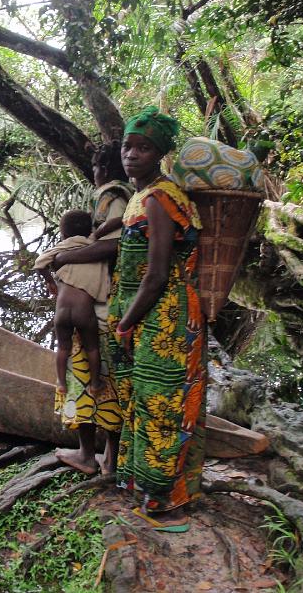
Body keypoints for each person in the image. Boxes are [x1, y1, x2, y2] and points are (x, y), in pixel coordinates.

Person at [108, 106, 206, 532]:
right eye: (128, 145)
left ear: (159, 153)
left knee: (162, 406)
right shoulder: (140, 195)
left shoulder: (161, 200)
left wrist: (126, 322)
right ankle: (146, 490)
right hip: (151, 317)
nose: (131, 154)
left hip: (166, 319)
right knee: (145, 404)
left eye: (142, 147)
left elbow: (157, 274)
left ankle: (169, 506)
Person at [47, 142, 133, 476]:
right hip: (109, 302)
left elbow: (114, 244)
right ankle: (110, 458)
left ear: (104, 169)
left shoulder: (111, 195)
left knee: (81, 375)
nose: (93, 173)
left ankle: (87, 455)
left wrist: (66, 257)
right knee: (109, 380)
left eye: (95, 166)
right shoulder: (127, 196)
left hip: (100, 307)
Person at [34, 209, 114, 409]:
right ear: (90, 231)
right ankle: (95, 383)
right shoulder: (92, 245)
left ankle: (61, 383)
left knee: (62, 347)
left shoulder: (62, 247)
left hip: (61, 312)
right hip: (83, 311)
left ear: (63, 233)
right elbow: (108, 230)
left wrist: (50, 282)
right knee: (92, 347)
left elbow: (39, 263)